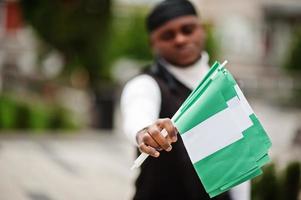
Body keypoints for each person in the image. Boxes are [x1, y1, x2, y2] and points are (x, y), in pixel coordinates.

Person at [121, 0, 250, 199]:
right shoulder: (146, 84)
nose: (180, 39)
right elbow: (137, 112)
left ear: (202, 30)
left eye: (187, 30)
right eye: (167, 35)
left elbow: (240, 162)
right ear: (153, 43)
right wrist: (145, 133)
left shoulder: (225, 84)